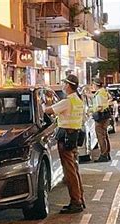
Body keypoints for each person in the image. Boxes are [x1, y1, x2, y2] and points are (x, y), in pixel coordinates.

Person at [44, 74, 85, 214]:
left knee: (69, 172)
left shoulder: (67, 101)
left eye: (64, 84)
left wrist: (41, 106)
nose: (63, 86)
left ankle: (76, 202)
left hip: (66, 139)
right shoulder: (78, 100)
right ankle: (80, 198)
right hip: (74, 137)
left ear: (68, 85)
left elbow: (48, 111)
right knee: (74, 169)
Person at [91, 78, 112, 162]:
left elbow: (99, 107)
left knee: (100, 136)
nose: (93, 86)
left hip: (100, 116)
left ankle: (103, 155)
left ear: (96, 85)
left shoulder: (99, 94)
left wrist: (92, 111)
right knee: (105, 135)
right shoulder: (104, 91)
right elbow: (109, 99)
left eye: (93, 84)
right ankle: (107, 153)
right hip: (105, 115)